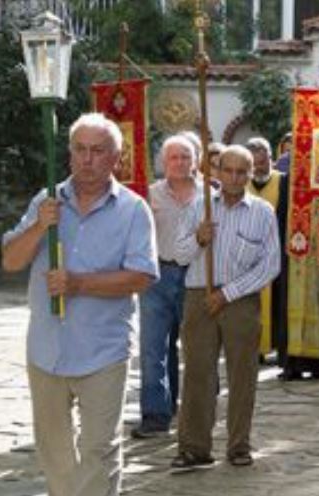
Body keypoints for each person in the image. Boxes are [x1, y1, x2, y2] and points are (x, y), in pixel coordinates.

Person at [2, 113, 158, 496]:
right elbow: (10, 261)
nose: (87, 159)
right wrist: (40, 225)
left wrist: (79, 284)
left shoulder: (134, 210)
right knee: (53, 448)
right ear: (69, 154)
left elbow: (142, 276)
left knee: (99, 449)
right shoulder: (47, 200)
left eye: (98, 151)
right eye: (80, 150)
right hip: (47, 347)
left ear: (115, 158)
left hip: (103, 349)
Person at [173, 144, 280, 468]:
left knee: (242, 374)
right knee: (197, 373)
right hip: (198, 296)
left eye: (241, 171)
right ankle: (194, 447)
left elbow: (270, 264)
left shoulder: (263, 212)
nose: (234, 178)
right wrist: (198, 239)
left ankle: (238, 446)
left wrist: (228, 293)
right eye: (228, 170)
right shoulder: (198, 207)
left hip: (240, 301)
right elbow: (177, 254)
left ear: (250, 174)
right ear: (217, 172)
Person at [132, 136, 201, 439]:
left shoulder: (209, 196)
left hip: (195, 277)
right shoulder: (148, 195)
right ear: (163, 162)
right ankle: (156, 414)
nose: (179, 162)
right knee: (153, 347)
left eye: (185, 156)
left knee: (197, 346)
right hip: (156, 277)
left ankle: (197, 409)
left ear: (196, 160)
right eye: (173, 157)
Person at [245, 137, 289, 365]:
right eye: (255, 164)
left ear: (271, 160)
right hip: (250, 256)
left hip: (279, 254)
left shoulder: (284, 182)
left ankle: (282, 352)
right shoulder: (242, 184)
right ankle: (255, 350)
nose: (259, 168)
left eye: (263, 163)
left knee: (281, 305)